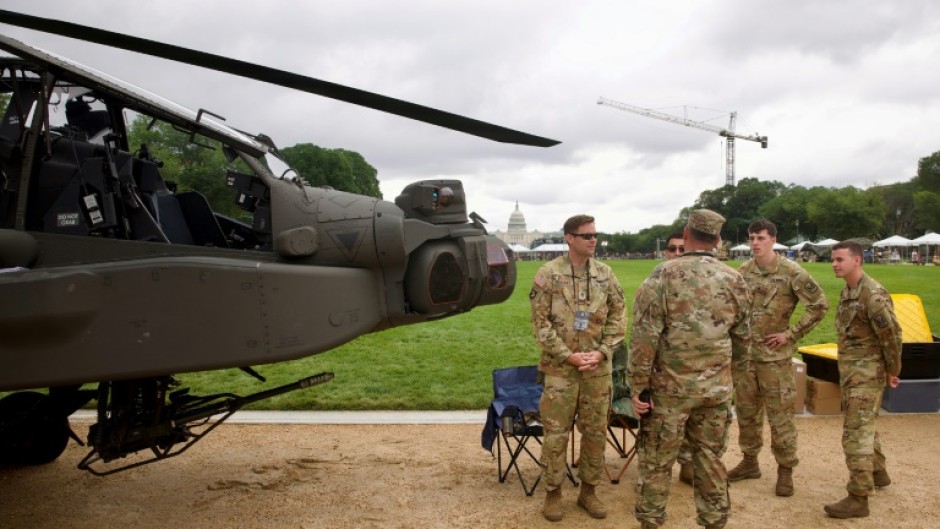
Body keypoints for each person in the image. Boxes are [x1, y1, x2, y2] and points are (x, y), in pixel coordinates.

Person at [628, 209, 751, 529]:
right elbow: (743, 340)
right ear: (719, 239)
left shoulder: (663, 275)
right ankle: (714, 521)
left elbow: (644, 338)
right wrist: (730, 382)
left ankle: (651, 522)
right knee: (710, 459)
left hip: (670, 392)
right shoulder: (734, 279)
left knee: (657, 463)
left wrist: (638, 386)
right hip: (715, 391)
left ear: (686, 233)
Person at [530, 214, 626, 522]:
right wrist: (567, 355)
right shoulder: (549, 273)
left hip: (597, 370)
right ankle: (553, 493)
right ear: (569, 238)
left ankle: (588, 491)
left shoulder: (605, 274)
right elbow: (540, 324)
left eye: (595, 234)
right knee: (556, 435)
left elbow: (618, 317)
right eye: (586, 235)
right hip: (560, 369)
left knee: (596, 432)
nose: (593, 240)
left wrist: (602, 352)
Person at [726, 219, 829, 496]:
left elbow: (819, 305)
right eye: (752, 238)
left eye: (761, 238)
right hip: (747, 358)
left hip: (774, 359)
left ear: (773, 239)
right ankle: (749, 462)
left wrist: (791, 334)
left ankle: (785, 470)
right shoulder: (743, 272)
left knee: (780, 416)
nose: (755, 243)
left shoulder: (791, 272)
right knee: (747, 414)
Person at [824, 240, 902, 519]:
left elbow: (892, 335)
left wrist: (894, 369)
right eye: (833, 259)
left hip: (867, 375)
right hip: (852, 373)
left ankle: (859, 497)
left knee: (855, 433)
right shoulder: (849, 291)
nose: (834, 263)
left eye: (840, 259)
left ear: (857, 260)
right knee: (865, 425)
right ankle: (878, 473)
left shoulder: (873, 294)